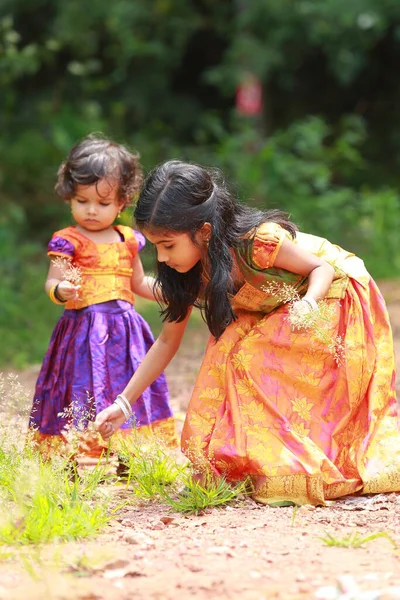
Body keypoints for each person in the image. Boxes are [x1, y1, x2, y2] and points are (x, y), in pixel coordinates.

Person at [95, 160, 400, 505]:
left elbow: (321, 268)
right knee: (223, 354)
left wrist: (309, 304)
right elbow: (166, 341)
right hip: (274, 303)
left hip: (331, 291)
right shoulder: (186, 271)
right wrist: (123, 403)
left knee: (253, 355)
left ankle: (289, 458)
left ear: (205, 232)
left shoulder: (257, 241)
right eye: (156, 247)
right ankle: (237, 462)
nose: (162, 258)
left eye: (168, 245)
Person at [29, 135, 178, 459]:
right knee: (80, 386)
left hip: (125, 334)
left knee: (127, 384)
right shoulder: (68, 241)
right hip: (81, 332)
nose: (92, 211)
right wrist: (60, 290)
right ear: (70, 197)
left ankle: (128, 451)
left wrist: (173, 294)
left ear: (122, 202)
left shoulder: (128, 240)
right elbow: (53, 279)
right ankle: (76, 450)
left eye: (103, 203)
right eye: (82, 201)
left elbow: (138, 282)